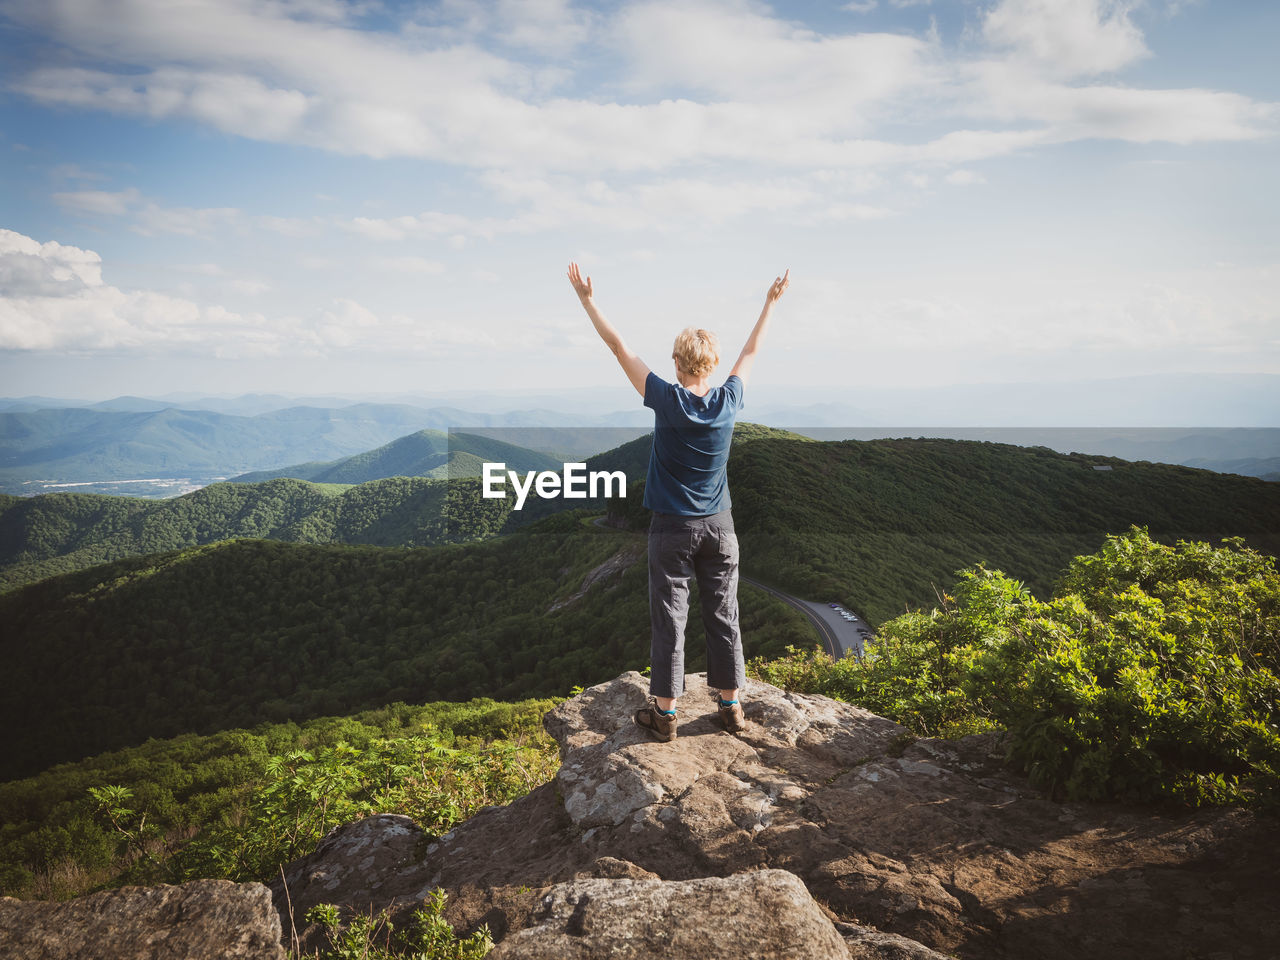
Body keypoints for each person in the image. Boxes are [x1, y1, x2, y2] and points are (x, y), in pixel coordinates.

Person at [567, 262, 790, 741]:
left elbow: (618, 347)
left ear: (677, 361)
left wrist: (588, 300)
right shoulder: (729, 399)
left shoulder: (667, 399)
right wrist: (770, 304)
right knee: (723, 612)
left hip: (671, 528)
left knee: (671, 616)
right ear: (711, 363)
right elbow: (752, 350)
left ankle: (665, 715)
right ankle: (731, 707)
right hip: (721, 527)